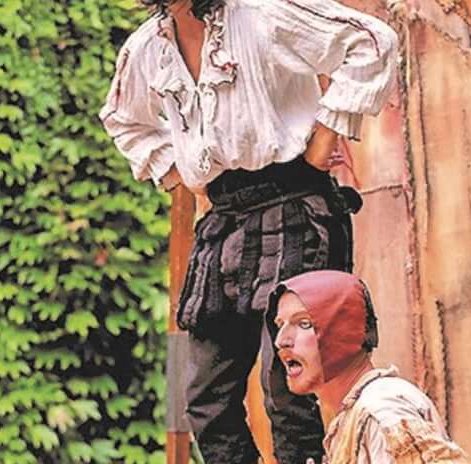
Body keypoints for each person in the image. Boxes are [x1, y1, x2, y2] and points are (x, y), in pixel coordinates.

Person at [99, 0, 398, 461]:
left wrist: (325, 138)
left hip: (296, 204)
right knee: (206, 401)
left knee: (288, 394)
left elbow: (372, 42)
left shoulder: (264, 12)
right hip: (223, 221)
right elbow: (122, 118)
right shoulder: (146, 48)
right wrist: (183, 174)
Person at [267, 270, 467, 463]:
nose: (281, 341)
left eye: (304, 323)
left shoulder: (382, 412)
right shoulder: (355, 412)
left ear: (342, 330)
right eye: (280, 325)